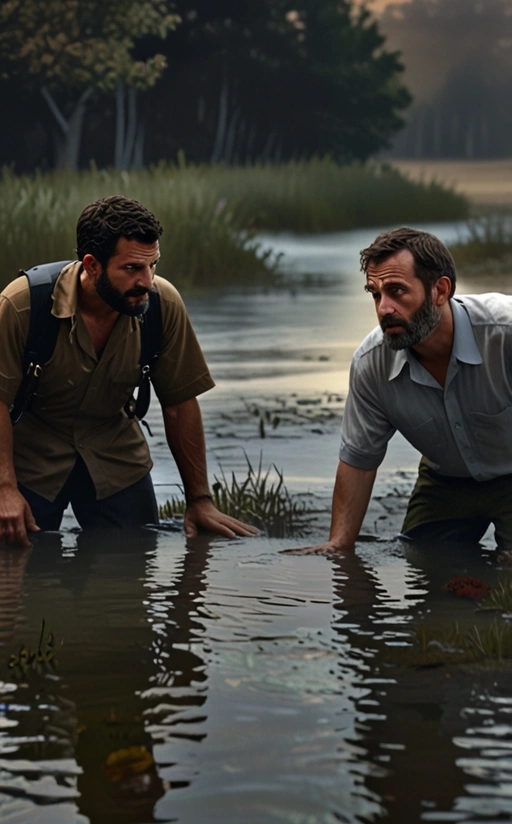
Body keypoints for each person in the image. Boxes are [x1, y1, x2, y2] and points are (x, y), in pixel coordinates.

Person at [0, 195, 258, 546]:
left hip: (115, 452)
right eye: (133, 268)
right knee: (19, 574)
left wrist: (199, 501)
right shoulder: (22, 305)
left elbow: (180, 404)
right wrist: (4, 489)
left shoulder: (161, 304)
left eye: (153, 265)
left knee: (131, 566)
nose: (148, 281)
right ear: (91, 265)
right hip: (32, 456)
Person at [293, 226, 512, 558]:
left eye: (396, 291)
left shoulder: (504, 333)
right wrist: (339, 545)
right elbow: (358, 461)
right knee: (421, 564)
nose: (384, 309)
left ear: (440, 290)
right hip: (445, 479)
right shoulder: (371, 364)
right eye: (375, 294)